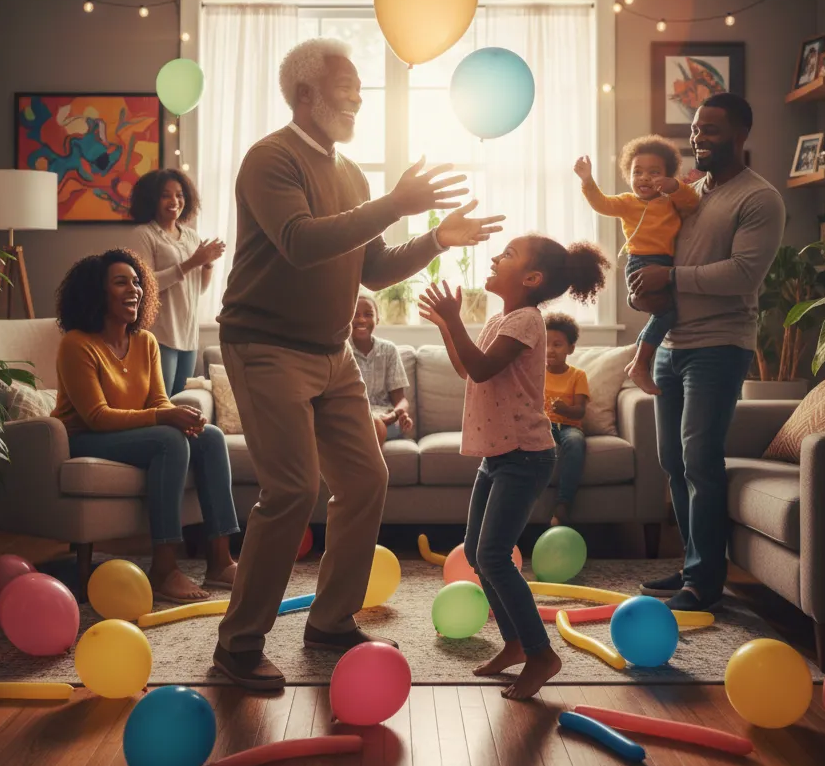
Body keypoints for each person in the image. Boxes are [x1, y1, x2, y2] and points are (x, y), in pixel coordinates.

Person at [213, 38, 505, 692]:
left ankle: (330, 621)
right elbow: (299, 242)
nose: (356, 97)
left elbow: (371, 266)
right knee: (290, 491)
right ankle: (237, 646)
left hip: (331, 352)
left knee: (366, 480)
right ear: (304, 95)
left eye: (358, 87)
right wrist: (398, 205)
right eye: (344, 85)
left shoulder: (351, 175)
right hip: (264, 346)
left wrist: (434, 238)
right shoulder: (270, 159)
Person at [419, 234, 609, 700]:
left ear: (531, 279)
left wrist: (452, 319)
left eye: (506, 255)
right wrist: (448, 326)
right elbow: (469, 368)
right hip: (498, 456)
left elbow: (482, 368)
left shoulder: (526, 320)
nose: (494, 257)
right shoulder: (503, 317)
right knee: (478, 551)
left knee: (495, 558)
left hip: (525, 456)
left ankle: (542, 653)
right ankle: (516, 643)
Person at [629, 93, 785, 613]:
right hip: (674, 344)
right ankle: (692, 563)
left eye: (711, 130)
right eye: (696, 129)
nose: (698, 138)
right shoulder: (690, 193)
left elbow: (744, 274)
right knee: (672, 460)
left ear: (740, 136)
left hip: (720, 346)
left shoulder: (759, 199)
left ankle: (704, 582)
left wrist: (668, 277)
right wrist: (645, 294)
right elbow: (658, 251)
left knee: (699, 458)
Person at [52, 248, 240, 603]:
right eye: (121, 282)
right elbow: (97, 415)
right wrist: (166, 417)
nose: (134, 289)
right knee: (169, 440)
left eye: (137, 282)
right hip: (86, 438)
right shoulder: (76, 344)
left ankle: (220, 560)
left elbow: (157, 402)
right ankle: (164, 568)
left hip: (131, 436)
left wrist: (181, 416)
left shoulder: (145, 341)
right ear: (97, 292)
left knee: (210, 437)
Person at [575, 135, 699, 395]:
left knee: (665, 315)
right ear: (628, 175)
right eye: (638, 172)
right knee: (666, 314)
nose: (644, 178)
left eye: (654, 173)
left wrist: (674, 186)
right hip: (641, 262)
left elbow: (692, 202)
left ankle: (638, 364)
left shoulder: (670, 201)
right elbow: (602, 204)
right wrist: (587, 181)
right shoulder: (627, 202)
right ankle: (640, 365)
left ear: (667, 176)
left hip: (666, 265)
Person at [130, 169, 225, 396]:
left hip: (188, 334)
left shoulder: (191, 236)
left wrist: (208, 263)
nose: (175, 201)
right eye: (166, 195)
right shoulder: (144, 234)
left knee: (180, 403)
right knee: (162, 402)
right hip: (160, 334)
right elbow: (144, 285)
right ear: (153, 199)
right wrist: (192, 262)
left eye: (180, 195)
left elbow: (197, 289)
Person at [542, 312, 590, 527]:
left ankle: (563, 504)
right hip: (544, 426)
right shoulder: (535, 373)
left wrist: (564, 409)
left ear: (570, 348)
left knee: (575, 442)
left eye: (557, 344)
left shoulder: (577, 376)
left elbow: (580, 411)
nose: (550, 350)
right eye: (545, 344)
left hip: (570, 426)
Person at [351, 293, 414, 444]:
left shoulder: (388, 350)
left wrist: (398, 414)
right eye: (355, 315)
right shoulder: (341, 351)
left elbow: (401, 399)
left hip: (386, 420)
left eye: (368, 314)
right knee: (365, 426)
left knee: (376, 425)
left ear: (377, 319)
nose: (362, 319)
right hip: (353, 420)